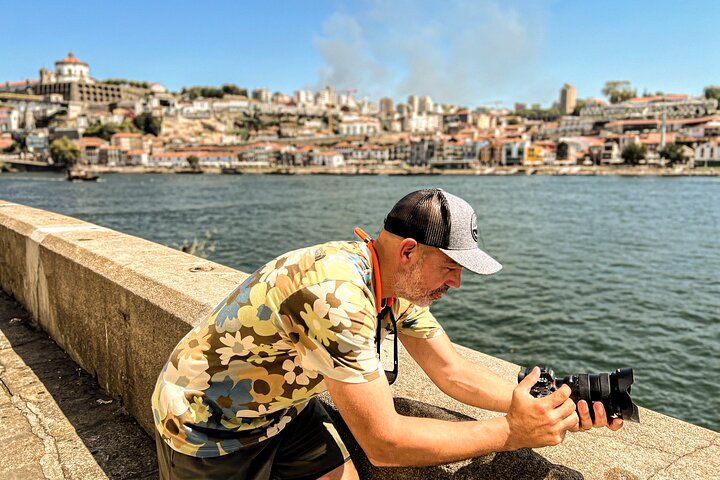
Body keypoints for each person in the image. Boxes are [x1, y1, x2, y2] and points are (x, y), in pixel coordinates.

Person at [152, 188, 623, 480]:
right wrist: (513, 431)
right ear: (411, 252)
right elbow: (385, 443)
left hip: (283, 411)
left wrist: (552, 403)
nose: (456, 283)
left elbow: (452, 371)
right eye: (451, 267)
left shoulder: (390, 285)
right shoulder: (335, 295)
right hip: (208, 423)